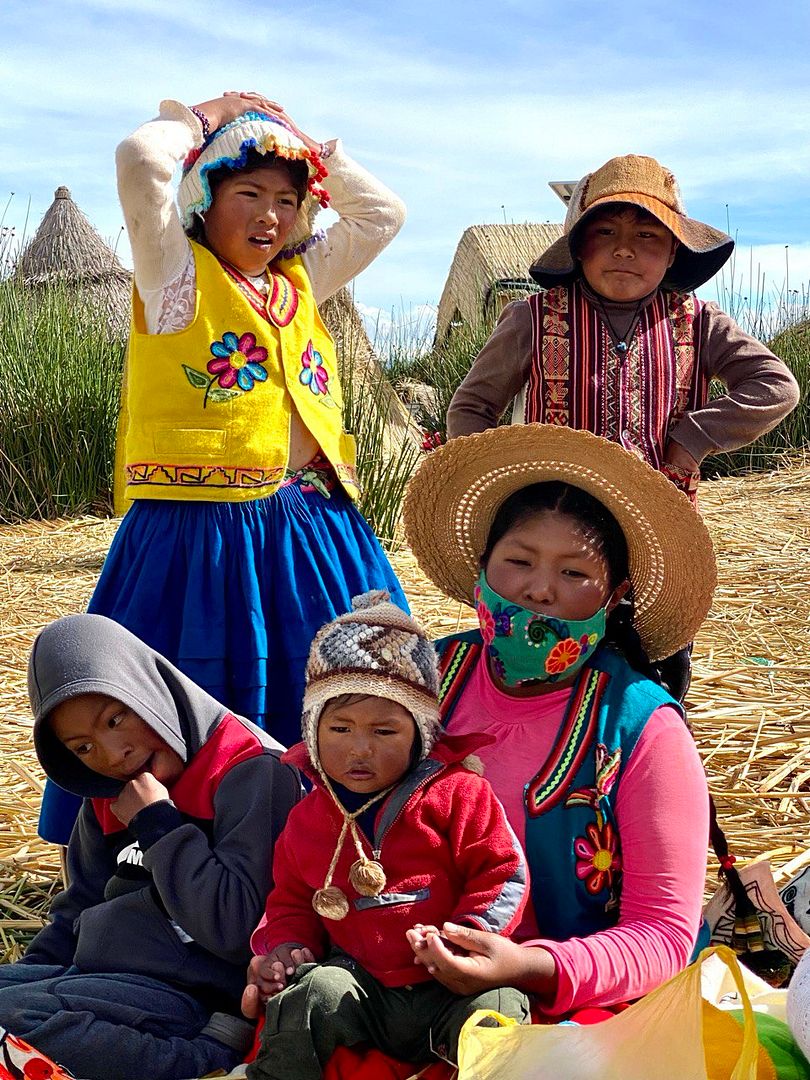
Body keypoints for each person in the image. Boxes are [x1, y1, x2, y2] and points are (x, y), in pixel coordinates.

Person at [39, 90, 408, 844]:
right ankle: (185, 848)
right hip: (199, 535)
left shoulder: (301, 280)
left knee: (341, 683)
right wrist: (196, 121)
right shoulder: (174, 276)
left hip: (314, 528)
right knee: (193, 685)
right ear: (204, 198)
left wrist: (310, 147)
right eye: (248, 193)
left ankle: (337, 837)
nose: (271, 215)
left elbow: (382, 216)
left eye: (286, 198)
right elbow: (141, 162)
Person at [401, 423, 716, 1017]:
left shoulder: (640, 727)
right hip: (402, 976)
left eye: (574, 574)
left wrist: (532, 967)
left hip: (577, 1007)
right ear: (482, 566)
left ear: (614, 595)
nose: (538, 591)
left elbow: (664, 937)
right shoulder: (425, 676)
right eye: (518, 560)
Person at [0, 614, 301, 1080]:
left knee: (16, 1019)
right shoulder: (107, 790)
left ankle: (203, 1062)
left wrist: (156, 824)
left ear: (147, 690)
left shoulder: (251, 771)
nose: (112, 752)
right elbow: (78, 907)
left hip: (189, 994)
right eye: (82, 748)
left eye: (116, 719)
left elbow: (236, 927)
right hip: (99, 978)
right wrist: (35, 976)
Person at [243, 591, 530, 1078]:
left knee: (503, 1006)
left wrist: (465, 941)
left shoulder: (459, 793)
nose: (360, 750)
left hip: (451, 986)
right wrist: (288, 948)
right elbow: (291, 899)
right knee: (309, 995)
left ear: (420, 734)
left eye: (385, 732)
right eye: (339, 728)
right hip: (361, 985)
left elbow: (502, 872)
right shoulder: (307, 817)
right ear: (312, 730)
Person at [447, 153, 799, 505]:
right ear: (580, 246)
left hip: (658, 518)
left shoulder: (698, 321)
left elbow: (776, 386)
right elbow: (473, 406)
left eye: (647, 234)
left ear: (673, 250)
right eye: (605, 231)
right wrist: (493, 486)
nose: (624, 249)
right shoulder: (534, 318)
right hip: (551, 520)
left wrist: (693, 437)